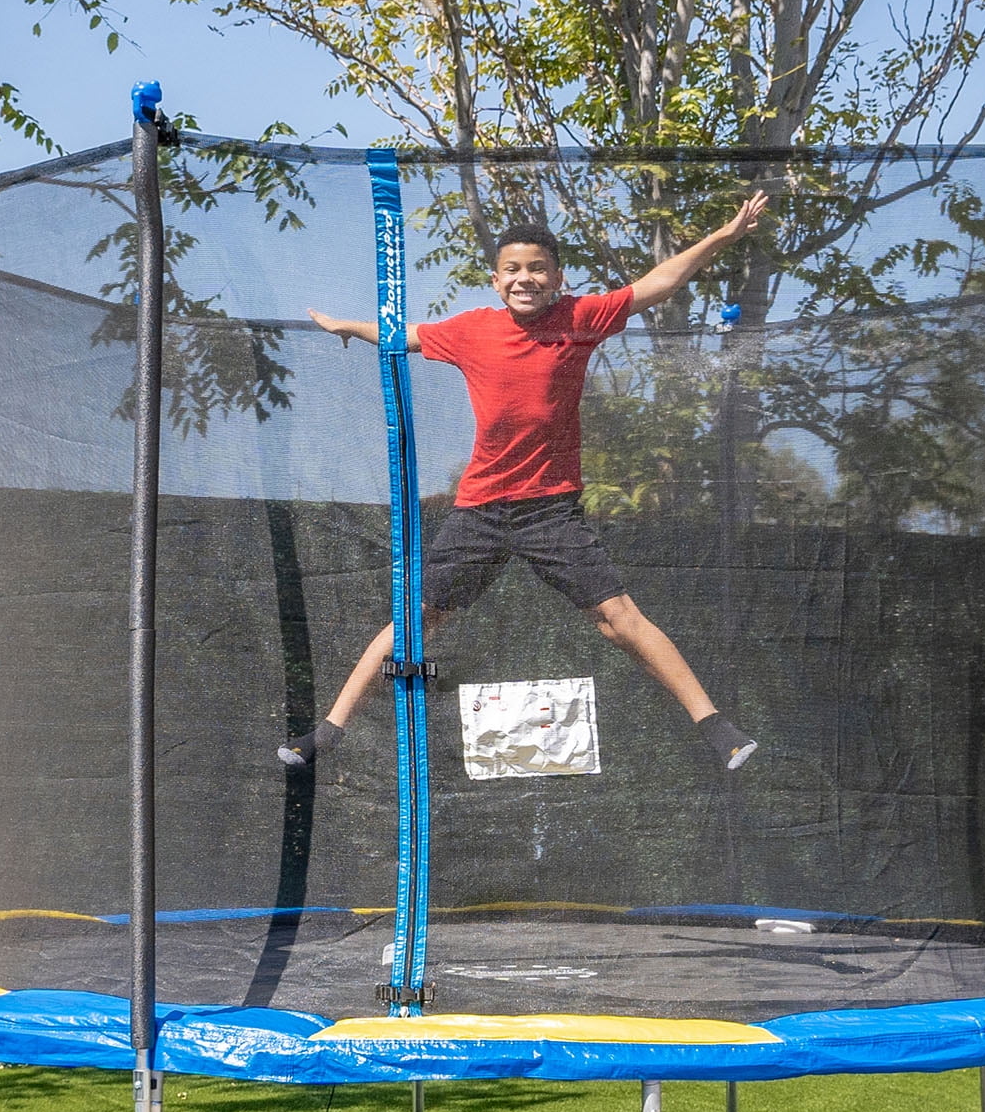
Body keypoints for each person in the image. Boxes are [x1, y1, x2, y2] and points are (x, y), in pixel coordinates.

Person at [283, 191, 770, 772]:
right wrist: (347, 326)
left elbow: (658, 283)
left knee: (619, 620)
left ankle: (719, 730)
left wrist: (723, 236)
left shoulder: (580, 318)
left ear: (558, 278)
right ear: (495, 281)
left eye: (538, 269)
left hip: (550, 513)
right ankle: (327, 735)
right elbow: (405, 334)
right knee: (414, 623)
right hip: (480, 512)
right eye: (513, 270)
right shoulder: (471, 331)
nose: (525, 278)